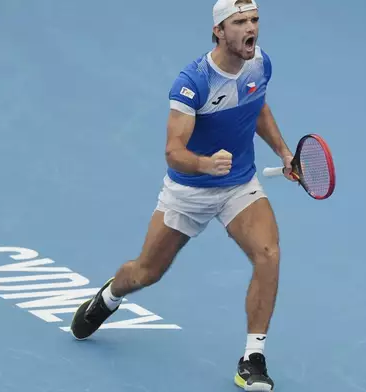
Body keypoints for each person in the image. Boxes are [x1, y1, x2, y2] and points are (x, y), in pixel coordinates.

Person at [70, 0, 295, 390]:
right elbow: (173, 152)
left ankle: (252, 358)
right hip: (188, 191)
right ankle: (110, 295)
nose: (250, 28)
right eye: (239, 21)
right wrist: (205, 165)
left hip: (239, 185)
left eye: (254, 20)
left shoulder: (260, 63)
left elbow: (258, 109)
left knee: (268, 254)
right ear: (219, 32)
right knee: (146, 273)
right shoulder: (193, 82)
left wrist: (285, 152)